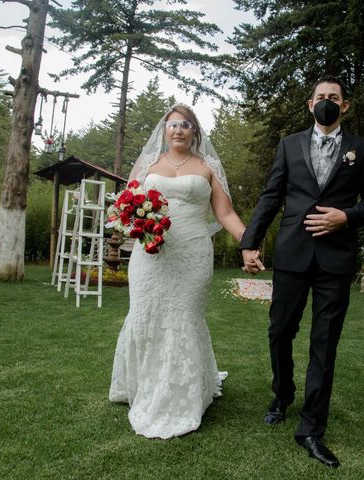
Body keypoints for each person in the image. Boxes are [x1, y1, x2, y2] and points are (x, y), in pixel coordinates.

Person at [240, 77, 364, 467]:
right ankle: (282, 394)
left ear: (345, 106)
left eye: (333, 98)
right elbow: (272, 195)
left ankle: (311, 428)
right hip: (292, 254)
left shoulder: (362, 150)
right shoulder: (289, 146)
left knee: (325, 344)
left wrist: (346, 216)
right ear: (310, 105)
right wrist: (250, 242)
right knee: (280, 330)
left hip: (335, 261)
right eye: (321, 98)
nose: (327, 103)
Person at [109, 104, 246, 439]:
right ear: (164, 130)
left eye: (186, 125)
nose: (179, 130)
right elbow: (123, 207)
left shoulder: (207, 166)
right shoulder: (148, 165)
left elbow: (225, 213)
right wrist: (134, 223)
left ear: (195, 131)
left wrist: (248, 242)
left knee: (184, 315)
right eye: (173, 125)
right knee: (145, 312)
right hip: (151, 254)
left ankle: (182, 395)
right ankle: (141, 386)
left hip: (193, 252)